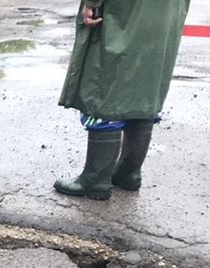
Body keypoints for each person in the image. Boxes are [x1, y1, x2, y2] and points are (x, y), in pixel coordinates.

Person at [55, 0, 191, 200]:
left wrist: (91, 3)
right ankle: (129, 172)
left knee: (105, 86)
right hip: (168, 11)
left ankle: (96, 179)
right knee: (145, 85)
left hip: (124, 12)